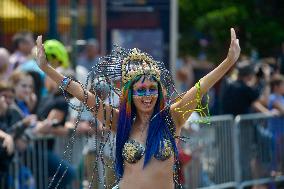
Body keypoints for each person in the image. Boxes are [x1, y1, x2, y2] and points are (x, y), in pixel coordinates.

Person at [35, 28, 240, 189]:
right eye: (141, 90)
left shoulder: (172, 118)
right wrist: (47, 69)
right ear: (130, 95)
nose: (147, 95)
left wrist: (228, 62)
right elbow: (83, 95)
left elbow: (199, 88)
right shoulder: (120, 122)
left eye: (152, 89)